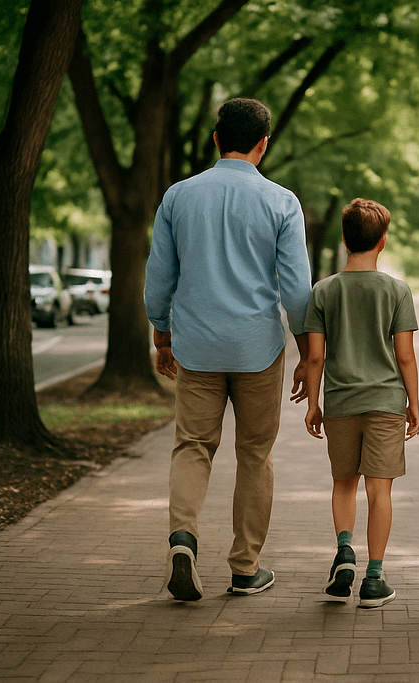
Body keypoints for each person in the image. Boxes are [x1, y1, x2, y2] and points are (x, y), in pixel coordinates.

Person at [145, 97, 313, 601]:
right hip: (258, 348)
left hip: (196, 347)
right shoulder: (282, 202)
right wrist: (308, 351)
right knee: (255, 454)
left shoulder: (178, 196)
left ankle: (183, 539)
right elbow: (298, 290)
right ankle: (244, 568)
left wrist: (161, 330)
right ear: (263, 145)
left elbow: (159, 278)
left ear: (216, 139)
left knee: (193, 446)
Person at [303, 198, 419, 609]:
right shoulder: (396, 290)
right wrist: (415, 402)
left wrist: (313, 403)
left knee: (343, 482)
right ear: (383, 242)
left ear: (344, 239)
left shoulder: (323, 291)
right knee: (379, 490)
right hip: (386, 401)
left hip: (339, 401)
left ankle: (345, 551)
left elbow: (315, 356)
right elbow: (405, 355)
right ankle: (374, 578)